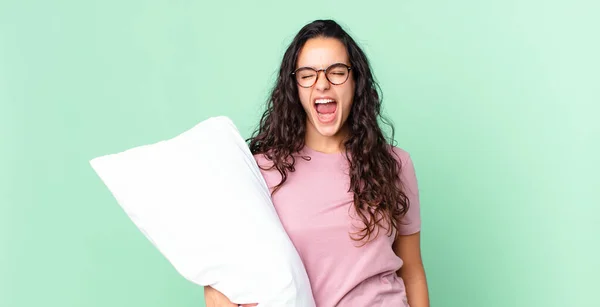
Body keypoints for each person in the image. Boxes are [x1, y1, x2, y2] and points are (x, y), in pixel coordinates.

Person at [204, 19, 430, 307]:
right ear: (294, 87)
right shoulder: (261, 171)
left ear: (356, 81)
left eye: (337, 72)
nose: (322, 83)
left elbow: (412, 271)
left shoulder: (394, 164)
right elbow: (221, 279)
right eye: (307, 75)